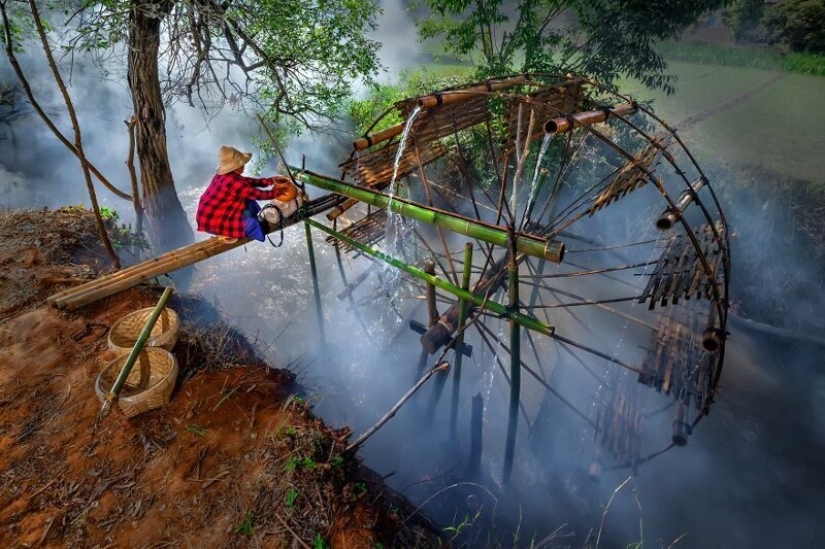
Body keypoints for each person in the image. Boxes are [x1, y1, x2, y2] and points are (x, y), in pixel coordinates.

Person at [196, 145, 298, 243]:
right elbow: (258, 195)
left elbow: (249, 182)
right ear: (236, 167)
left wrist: (270, 181)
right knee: (253, 225)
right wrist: (277, 192)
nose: (243, 166)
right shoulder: (234, 181)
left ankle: (248, 218)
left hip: (208, 216)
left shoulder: (227, 176)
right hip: (212, 221)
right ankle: (228, 231)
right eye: (242, 164)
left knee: (247, 202)